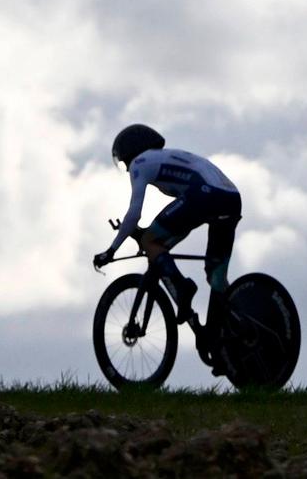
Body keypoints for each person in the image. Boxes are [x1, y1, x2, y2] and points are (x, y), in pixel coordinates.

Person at [95, 125, 241, 361]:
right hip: (230, 198)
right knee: (216, 276)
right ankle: (219, 342)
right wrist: (154, 243)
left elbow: (134, 214)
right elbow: (182, 224)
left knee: (151, 240)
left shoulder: (140, 162)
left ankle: (182, 288)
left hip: (203, 196)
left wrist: (112, 250)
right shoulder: (168, 156)